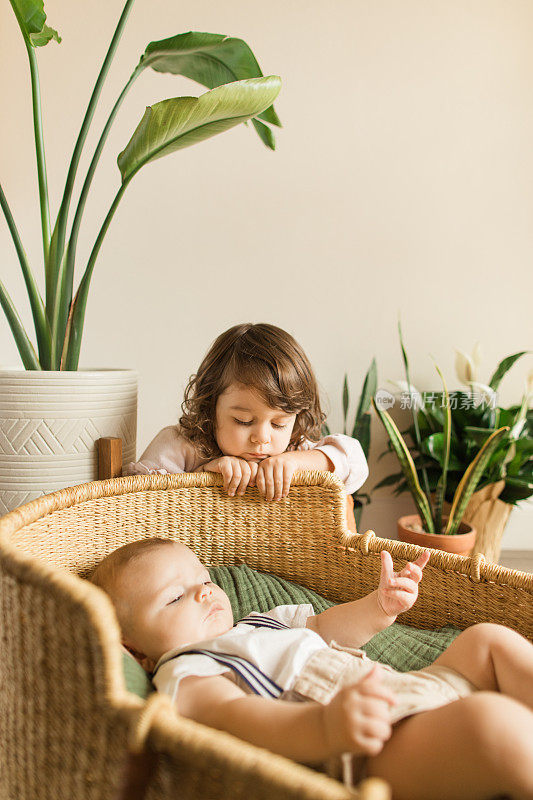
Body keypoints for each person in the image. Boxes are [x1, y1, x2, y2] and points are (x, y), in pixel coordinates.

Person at [91, 537, 533, 800]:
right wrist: (326, 726)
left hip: (405, 691)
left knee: (486, 640)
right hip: (363, 747)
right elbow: (238, 719)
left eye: (205, 581)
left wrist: (378, 606)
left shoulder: (260, 622)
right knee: (489, 725)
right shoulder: (187, 670)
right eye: (174, 597)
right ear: (137, 651)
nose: (205, 594)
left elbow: (326, 627)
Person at [124, 323, 369, 504]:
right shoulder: (185, 444)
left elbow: (356, 463)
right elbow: (140, 498)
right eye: (244, 421)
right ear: (211, 406)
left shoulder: (294, 448)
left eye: (279, 424)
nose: (262, 438)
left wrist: (295, 463)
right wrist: (204, 475)